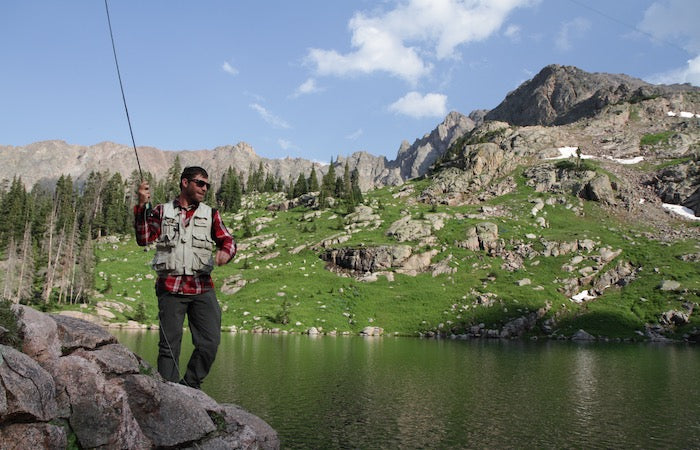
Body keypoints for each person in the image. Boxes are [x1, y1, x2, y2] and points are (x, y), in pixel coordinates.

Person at [134, 166, 236, 389]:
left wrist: (225, 253)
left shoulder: (211, 214)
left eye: (207, 185)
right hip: (170, 288)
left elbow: (228, 240)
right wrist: (142, 205)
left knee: (210, 343)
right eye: (200, 183)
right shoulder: (162, 211)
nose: (204, 188)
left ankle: (190, 387)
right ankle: (168, 395)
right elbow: (143, 238)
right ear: (184, 182)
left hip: (202, 288)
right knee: (168, 348)